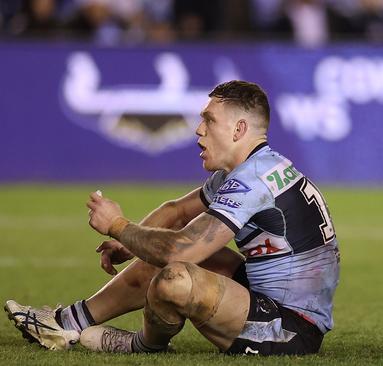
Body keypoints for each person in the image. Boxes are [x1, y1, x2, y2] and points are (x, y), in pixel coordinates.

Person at [5, 80, 340, 356]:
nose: (198, 130)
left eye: (208, 120)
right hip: (260, 292)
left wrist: (118, 226)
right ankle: (67, 321)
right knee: (163, 246)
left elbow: (179, 252)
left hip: (290, 327)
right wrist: (132, 242)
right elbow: (175, 212)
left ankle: (140, 345)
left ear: (239, 129)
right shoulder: (252, 167)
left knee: (175, 277)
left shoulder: (252, 180)